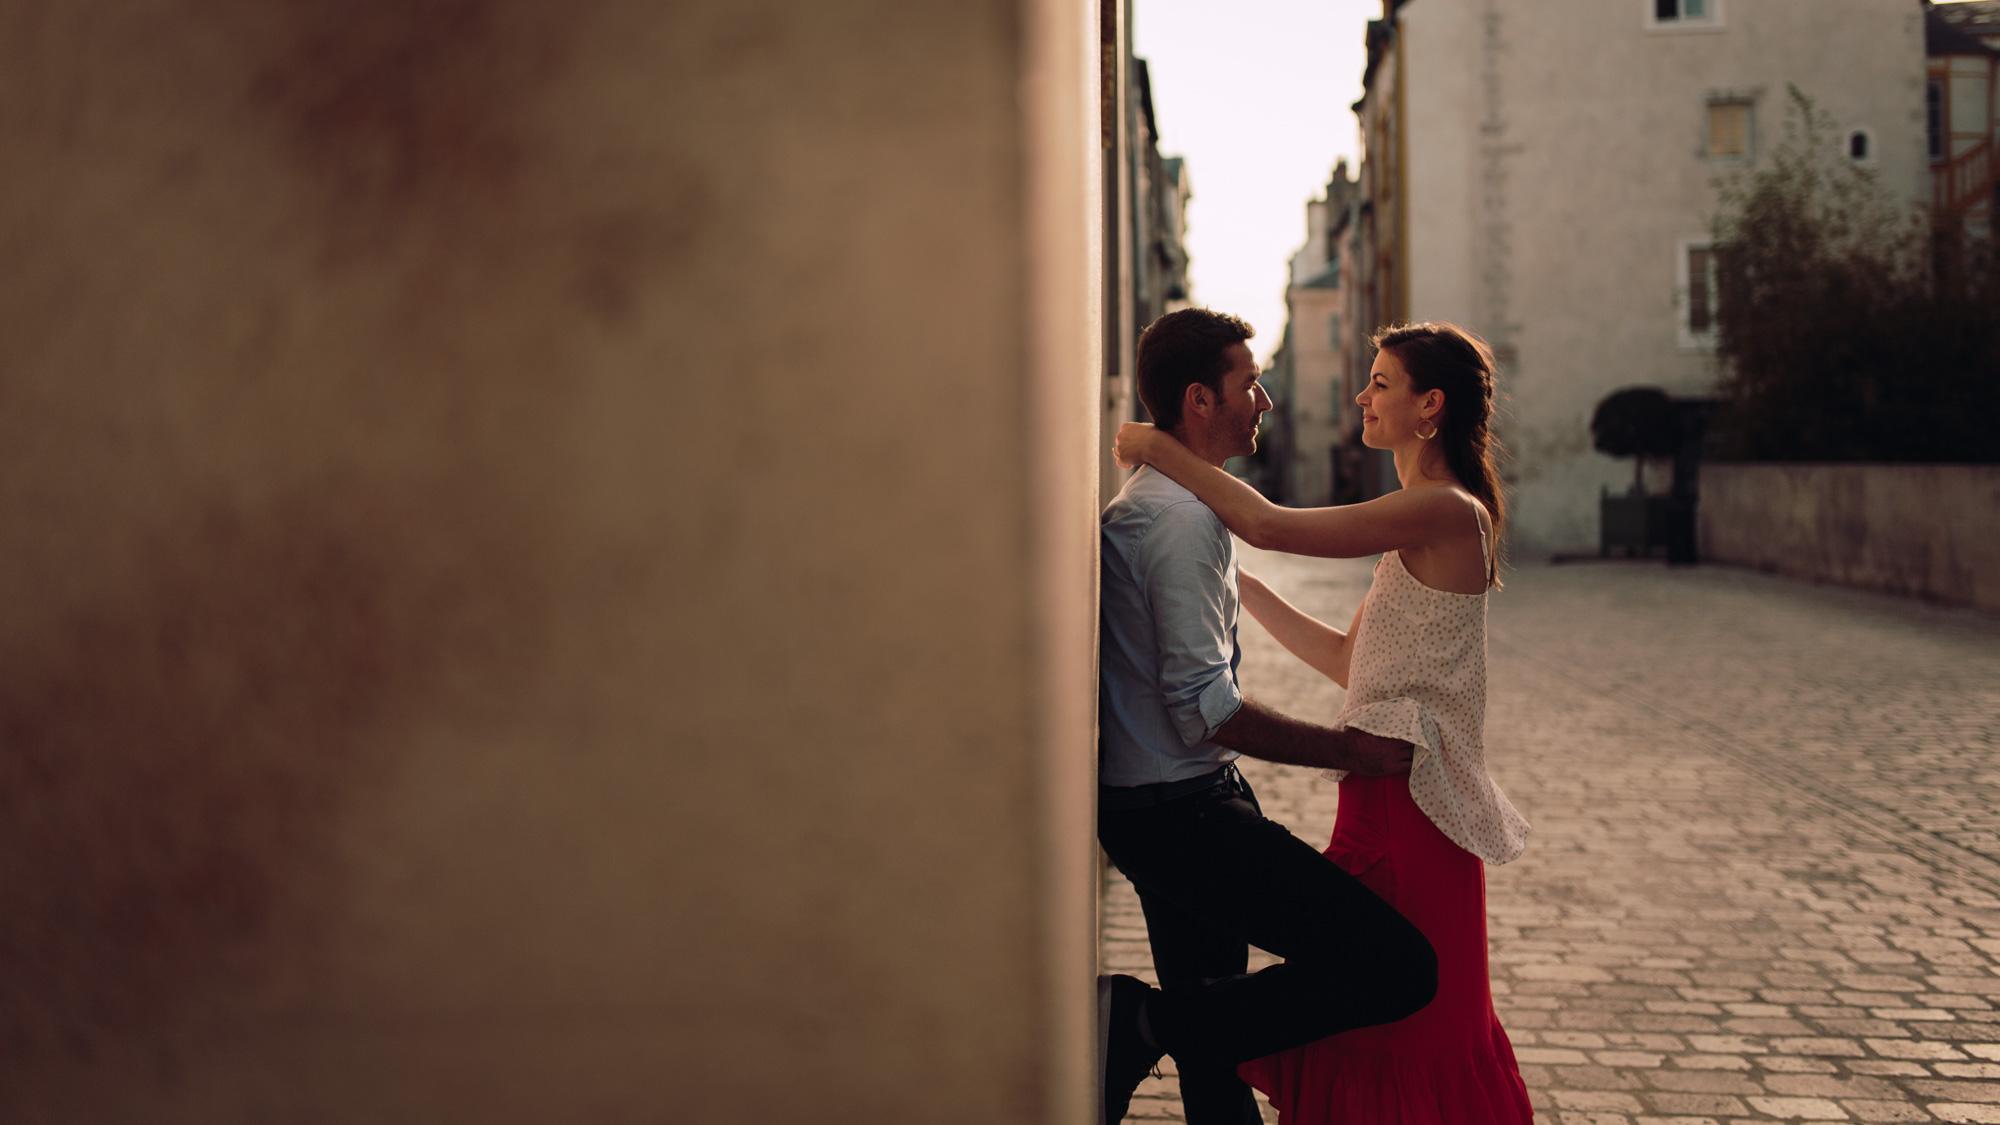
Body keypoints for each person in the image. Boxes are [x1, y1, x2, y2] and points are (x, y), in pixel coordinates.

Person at [1111, 319, 1534, 1124]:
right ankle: (1150, 1030)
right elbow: (1350, 661)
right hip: (1375, 803)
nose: (1360, 394)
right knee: (1361, 1007)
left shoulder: (1445, 509)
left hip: (1418, 804)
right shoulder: (1420, 515)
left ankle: (1141, 1026)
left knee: (1408, 1009)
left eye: (1380, 382)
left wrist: (1159, 449)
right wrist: (1236, 586)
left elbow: (1270, 524)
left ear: (1429, 406)